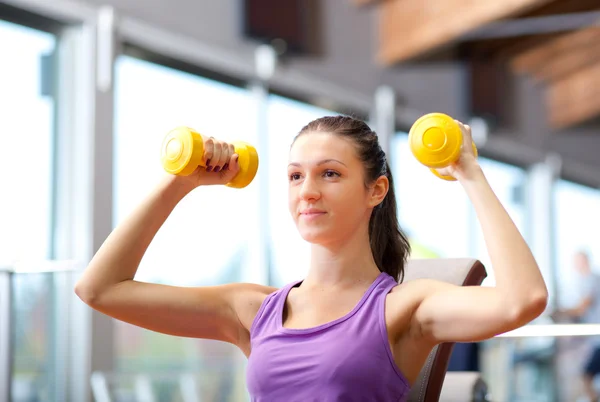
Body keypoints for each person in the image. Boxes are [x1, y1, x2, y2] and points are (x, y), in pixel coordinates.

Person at [75, 115, 548, 401]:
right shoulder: (253, 310)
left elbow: (521, 299)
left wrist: (469, 172)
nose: (308, 192)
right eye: (296, 176)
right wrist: (180, 181)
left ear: (375, 190)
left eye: (330, 174)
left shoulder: (404, 309)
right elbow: (99, 289)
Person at [554, 250, 600, 402]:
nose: (574, 267)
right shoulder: (590, 280)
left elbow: (582, 308)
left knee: (586, 376)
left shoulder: (592, 280)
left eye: (576, 262)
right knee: (586, 376)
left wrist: (560, 312)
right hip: (595, 340)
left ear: (584, 261)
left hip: (598, 339)